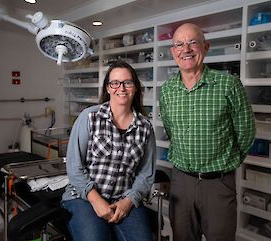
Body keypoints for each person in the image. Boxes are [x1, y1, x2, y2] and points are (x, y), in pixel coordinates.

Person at [159, 23, 256, 241]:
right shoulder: (167, 91)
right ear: (173, 51)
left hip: (218, 183)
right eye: (179, 44)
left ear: (206, 46)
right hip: (181, 182)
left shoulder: (228, 84)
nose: (186, 49)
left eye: (193, 42)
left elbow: (246, 131)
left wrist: (226, 162)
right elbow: (170, 130)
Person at [61, 60, 156, 241]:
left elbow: (146, 174)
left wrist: (128, 202)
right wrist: (96, 201)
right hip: (84, 197)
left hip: (124, 198)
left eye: (127, 82)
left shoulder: (145, 127)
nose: (121, 88)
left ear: (135, 87)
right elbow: (74, 166)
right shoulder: (90, 117)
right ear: (107, 88)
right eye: (115, 83)